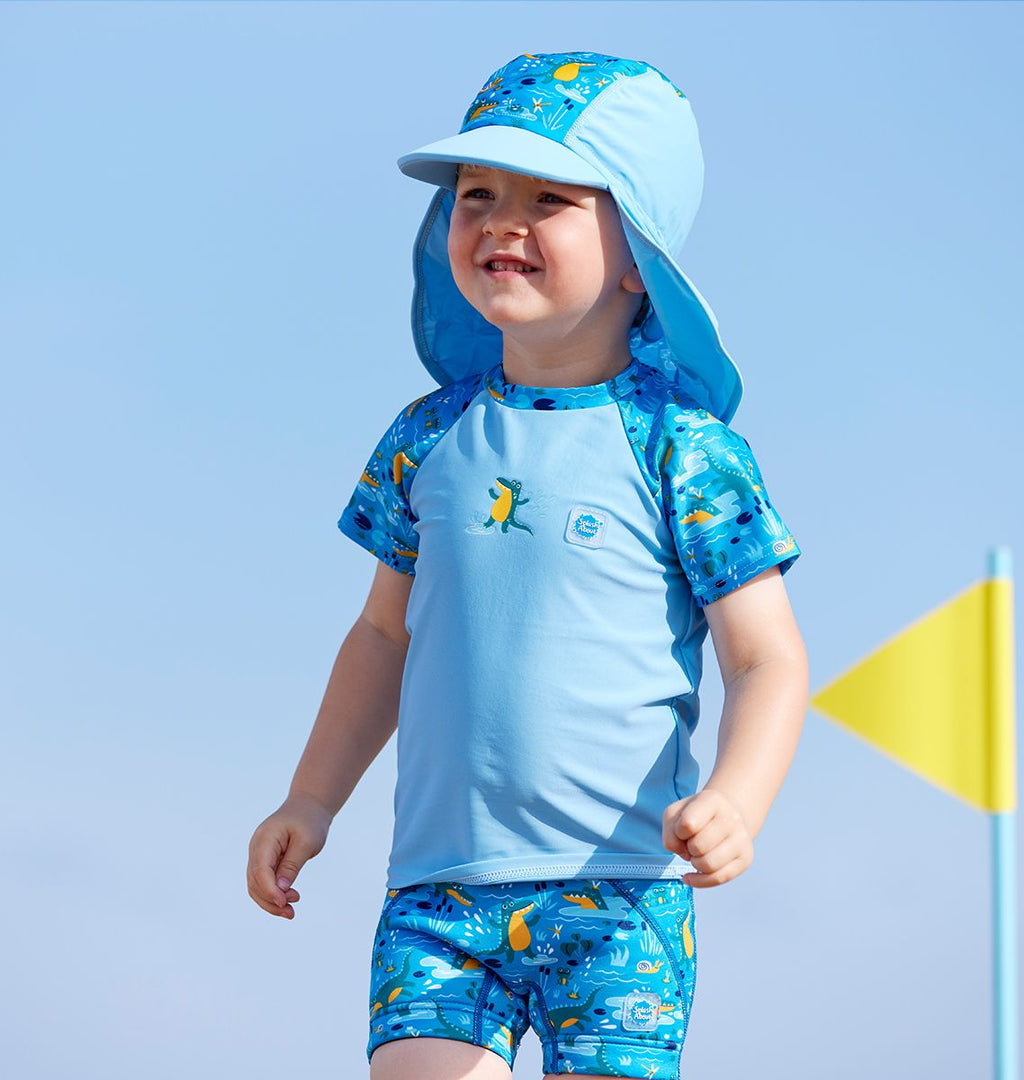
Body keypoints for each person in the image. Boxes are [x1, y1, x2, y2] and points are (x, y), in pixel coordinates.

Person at [247, 50, 809, 1080]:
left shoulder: (685, 452)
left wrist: (738, 798)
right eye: (476, 195)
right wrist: (310, 801)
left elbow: (768, 661)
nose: (501, 220)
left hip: (623, 896)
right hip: (436, 893)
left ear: (637, 254)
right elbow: (382, 636)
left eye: (549, 197)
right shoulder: (426, 439)